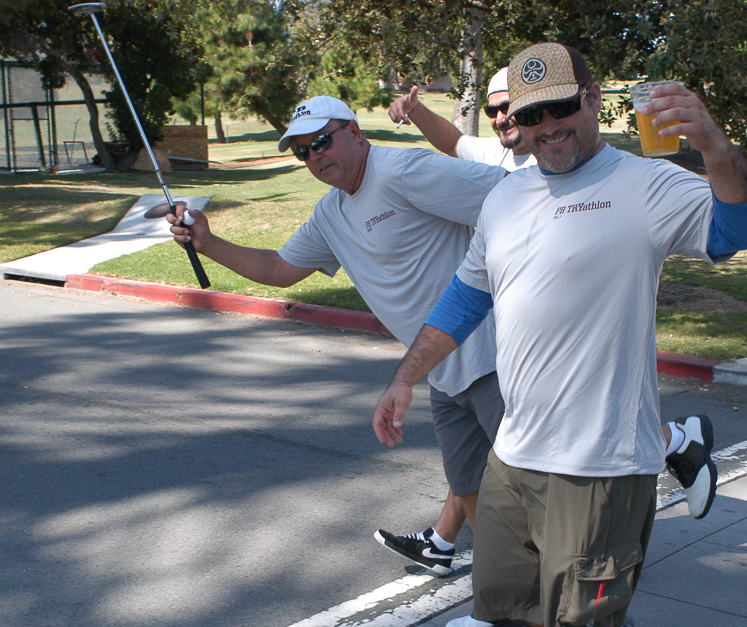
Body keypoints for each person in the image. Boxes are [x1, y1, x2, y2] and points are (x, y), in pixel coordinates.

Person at [372, 42, 747, 627]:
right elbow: (466, 296)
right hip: (516, 453)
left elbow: (740, 231)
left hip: (602, 464)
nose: (548, 126)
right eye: (531, 115)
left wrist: (716, 149)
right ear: (514, 122)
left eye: (561, 106)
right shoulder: (506, 197)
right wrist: (404, 378)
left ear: (590, 100)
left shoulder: (644, 184)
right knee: (515, 601)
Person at [167, 95, 507, 589]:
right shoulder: (332, 213)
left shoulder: (404, 171)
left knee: (533, 488)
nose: (315, 156)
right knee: (471, 485)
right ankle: (506, 597)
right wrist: (208, 243)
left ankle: (570, 598)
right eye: (302, 151)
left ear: (355, 132)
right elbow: (279, 268)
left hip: (494, 356)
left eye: (322, 141)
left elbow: (512, 196)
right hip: (438, 370)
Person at [388, 67, 535, 171]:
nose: (499, 120)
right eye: (491, 111)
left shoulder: (545, 161)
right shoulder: (496, 152)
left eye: (506, 108)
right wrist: (414, 109)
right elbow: (454, 143)